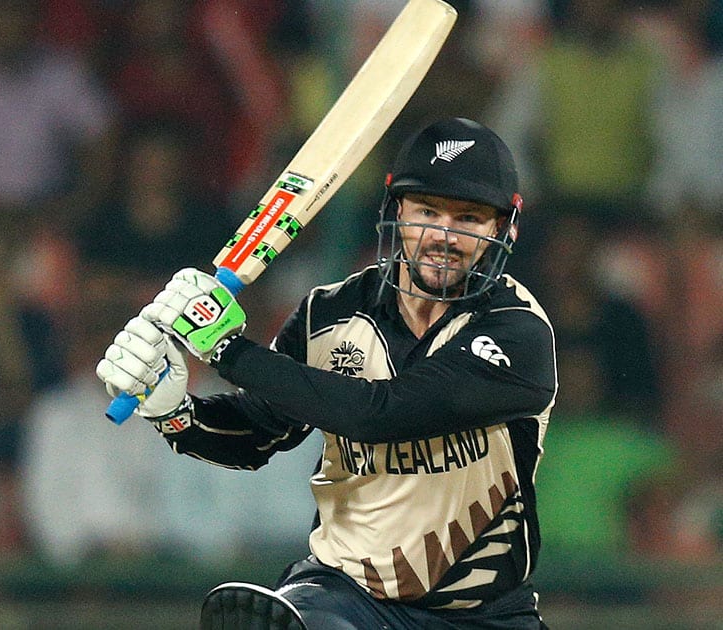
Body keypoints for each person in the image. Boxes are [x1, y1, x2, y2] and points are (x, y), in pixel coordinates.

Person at [97, 117, 558, 629]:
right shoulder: (328, 315)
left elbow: (379, 413)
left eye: (468, 219)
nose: (442, 236)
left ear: (501, 229)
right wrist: (176, 414)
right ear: (396, 212)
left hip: (481, 614)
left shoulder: (517, 333)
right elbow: (258, 434)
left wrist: (228, 351)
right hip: (346, 597)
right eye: (427, 211)